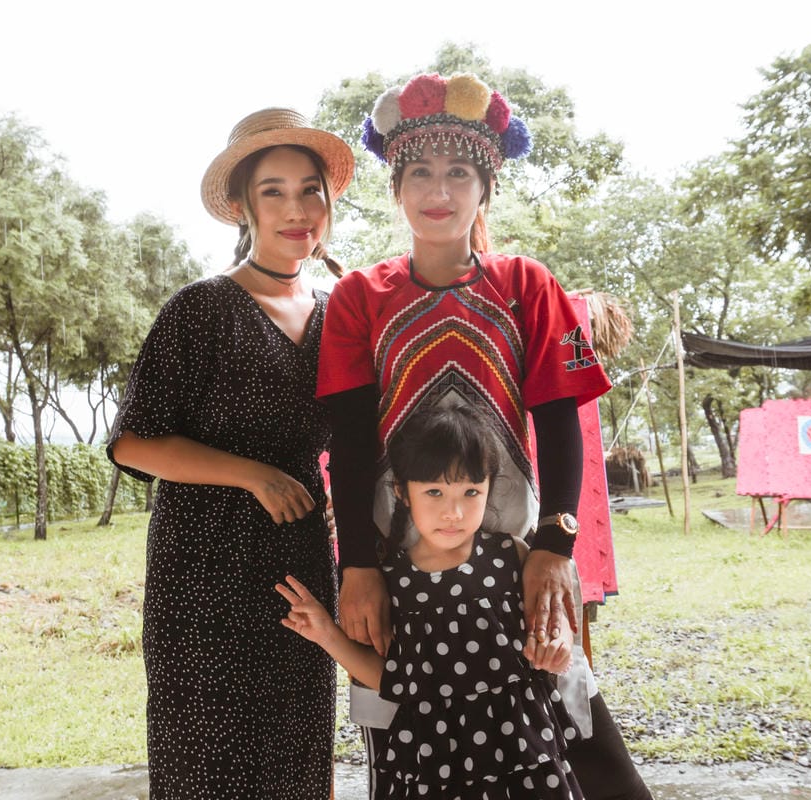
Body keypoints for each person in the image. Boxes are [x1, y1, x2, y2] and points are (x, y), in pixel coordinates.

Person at [317, 73, 653, 799]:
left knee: (570, 730)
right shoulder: (357, 297)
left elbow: (560, 420)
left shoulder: (528, 284)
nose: (438, 190)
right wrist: (358, 567)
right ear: (396, 188)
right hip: (398, 564)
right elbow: (349, 444)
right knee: (404, 739)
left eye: (459, 173)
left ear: (486, 188)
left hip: (514, 559)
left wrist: (554, 547)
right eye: (420, 172)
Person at [106, 107, 355, 800]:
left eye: (310, 191)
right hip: (203, 572)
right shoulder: (200, 308)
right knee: (208, 758)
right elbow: (132, 441)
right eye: (273, 191)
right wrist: (252, 475)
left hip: (299, 562)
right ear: (244, 205)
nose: (296, 209)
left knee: (297, 752)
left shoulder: (340, 315)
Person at [277, 405, 585, 799]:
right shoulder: (394, 583)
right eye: (434, 492)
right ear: (401, 492)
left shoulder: (513, 556)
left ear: (490, 488)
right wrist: (326, 634)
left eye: (470, 492)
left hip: (522, 757)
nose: (453, 512)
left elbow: (551, 629)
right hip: (436, 766)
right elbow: (393, 681)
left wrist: (557, 647)